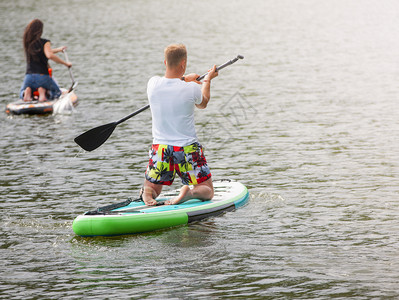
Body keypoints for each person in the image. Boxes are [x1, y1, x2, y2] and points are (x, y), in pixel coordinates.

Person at [143, 44, 218, 206]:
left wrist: (184, 79)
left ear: (165, 62)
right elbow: (203, 103)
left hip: (161, 148)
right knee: (207, 190)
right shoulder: (191, 89)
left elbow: (171, 82)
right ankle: (190, 192)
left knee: (153, 186)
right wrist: (207, 80)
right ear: (183, 63)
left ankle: (148, 192)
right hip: (186, 149)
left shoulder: (152, 84)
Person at [20, 19, 72, 102]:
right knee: (57, 93)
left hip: (29, 77)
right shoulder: (45, 42)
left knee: (21, 92)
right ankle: (42, 92)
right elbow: (49, 55)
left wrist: (58, 50)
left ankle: (28, 92)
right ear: (40, 30)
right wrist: (66, 64)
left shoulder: (27, 43)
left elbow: (42, 52)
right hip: (42, 76)